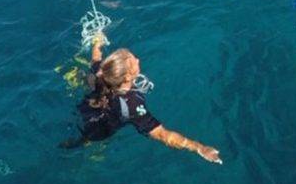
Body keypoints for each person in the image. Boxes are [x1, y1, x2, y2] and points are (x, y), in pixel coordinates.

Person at [63, 37, 222, 165]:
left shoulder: (102, 73)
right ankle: (86, 148)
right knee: (89, 142)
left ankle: (73, 76)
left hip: (84, 109)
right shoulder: (132, 105)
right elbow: (161, 134)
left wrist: (97, 43)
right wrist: (199, 148)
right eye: (134, 61)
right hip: (98, 132)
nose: (138, 60)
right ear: (127, 77)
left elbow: (95, 59)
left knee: (87, 82)